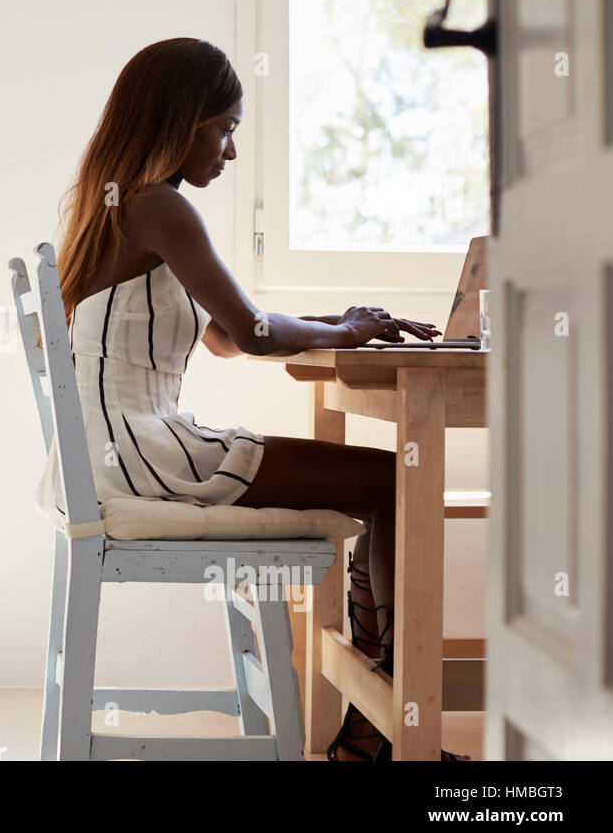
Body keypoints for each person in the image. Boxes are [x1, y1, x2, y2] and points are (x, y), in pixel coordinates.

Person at [42, 37, 467, 761]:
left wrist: (340, 324)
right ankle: (383, 730)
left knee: (383, 483)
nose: (230, 151)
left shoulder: (116, 204)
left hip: (116, 452)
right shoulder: (160, 209)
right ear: (182, 120)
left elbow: (223, 338)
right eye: (226, 128)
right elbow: (255, 333)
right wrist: (349, 328)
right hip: (146, 457)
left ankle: (372, 730)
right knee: (394, 481)